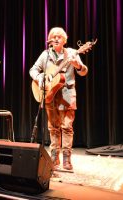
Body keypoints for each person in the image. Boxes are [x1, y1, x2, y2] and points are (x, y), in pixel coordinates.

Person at [29, 27, 88, 170]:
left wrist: (77, 65)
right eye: (53, 36)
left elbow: (84, 71)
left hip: (67, 94)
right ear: (49, 40)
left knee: (67, 127)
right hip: (50, 95)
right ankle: (54, 157)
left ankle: (67, 158)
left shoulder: (73, 53)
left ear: (64, 40)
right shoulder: (45, 54)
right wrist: (40, 77)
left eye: (59, 36)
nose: (56, 38)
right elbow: (33, 70)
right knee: (53, 128)